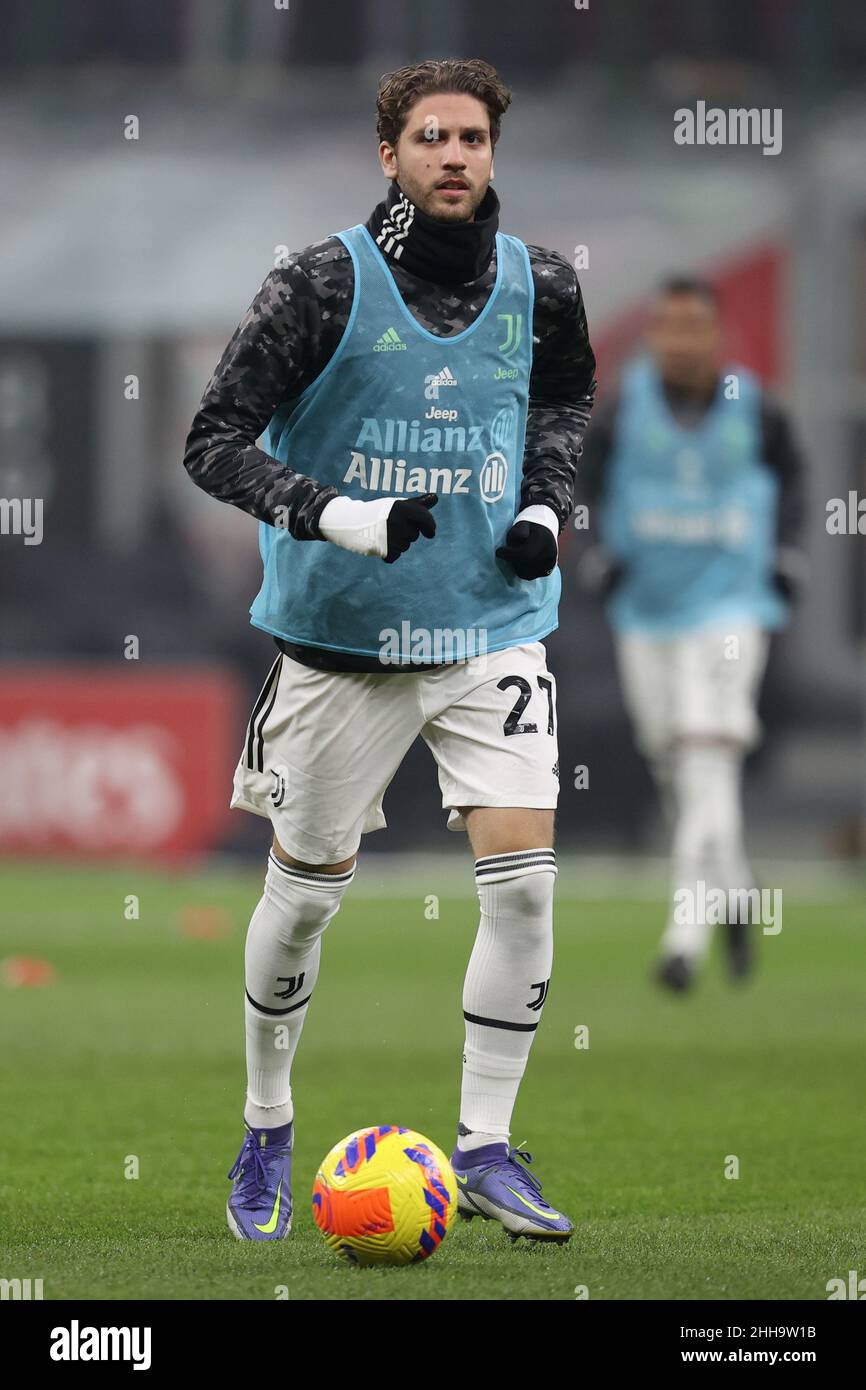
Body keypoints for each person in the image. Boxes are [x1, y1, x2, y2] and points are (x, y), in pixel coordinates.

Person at [183, 58, 596, 1243]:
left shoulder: (544, 283)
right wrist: (336, 515)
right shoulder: (319, 282)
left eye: (471, 138)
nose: (454, 156)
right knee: (304, 902)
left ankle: (483, 1147)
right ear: (389, 155)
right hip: (340, 643)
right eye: (430, 138)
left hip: (488, 631)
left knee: (523, 886)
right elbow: (209, 441)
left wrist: (541, 506)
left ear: (491, 152)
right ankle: (267, 1125)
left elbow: (561, 402)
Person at [578, 277, 805, 992]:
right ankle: (733, 889)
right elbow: (583, 487)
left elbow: (794, 481)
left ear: (716, 334)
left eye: (693, 326)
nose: (680, 341)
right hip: (647, 611)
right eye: (667, 326)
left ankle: (683, 939)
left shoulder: (757, 409)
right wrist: (594, 555)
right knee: (674, 760)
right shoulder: (622, 410)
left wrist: (788, 554)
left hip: (730, 608)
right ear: (653, 335)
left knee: (706, 755)